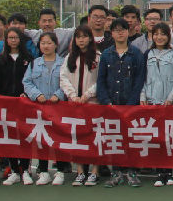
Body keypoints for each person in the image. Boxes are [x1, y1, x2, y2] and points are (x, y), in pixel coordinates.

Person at [97, 19, 147, 187]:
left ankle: (132, 172)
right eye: (116, 30)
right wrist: (106, 101)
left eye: (123, 29)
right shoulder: (106, 54)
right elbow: (101, 80)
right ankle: (116, 173)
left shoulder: (136, 54)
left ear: (127, 31)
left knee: (132, 138)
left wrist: (131, 103)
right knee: (114, 139)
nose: (120, 33)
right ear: (111, 33)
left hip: (130, 105)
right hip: (111, 104)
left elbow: (139, 80)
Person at [141, 23, 173, 187]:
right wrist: (143, 96)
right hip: (152, 102)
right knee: (156, 138)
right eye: (156, 34)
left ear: (168, 36)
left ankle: (169, 172)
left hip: (169, 103)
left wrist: (171, 98)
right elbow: (143, 78)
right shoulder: (147, 54)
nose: (159, 37)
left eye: (163, 34)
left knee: (169, 138)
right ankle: (159, 173)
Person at [22, 32, 65, 186]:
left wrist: (58, 95)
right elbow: (27, 82)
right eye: (43, 43)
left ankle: (60, 171)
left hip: (58, 108)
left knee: (59, 139)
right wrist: (36, 94)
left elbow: (67, 82)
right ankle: (44, 171)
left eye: (49, 43)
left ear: (56, 44)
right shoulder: (34, 63)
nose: (46, 46)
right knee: (42, 139)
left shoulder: (63, 63)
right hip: (39, 108)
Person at [0, 27, 34, 185]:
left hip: (23, 103)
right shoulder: (0, 60)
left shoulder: (28, 59)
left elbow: (30, 81)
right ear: (6, 40)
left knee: (24, 136)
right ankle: (15, 171)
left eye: (16, 37)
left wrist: (27, 95)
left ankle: (25, 170)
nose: (13, 40)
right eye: (10, 38)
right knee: (10, 137)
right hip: (6, 104)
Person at [59, 26, 99, 186]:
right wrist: (73, 95)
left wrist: (87, 95)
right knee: (77, 137)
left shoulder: (98, 57)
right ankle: (80, 171)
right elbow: (63, 78)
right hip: (74, 104)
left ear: (90, 38)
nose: (81, 40)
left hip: (92, 103)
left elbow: (101, 79)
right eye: (78, 37)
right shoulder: (69, 57)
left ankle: (94, 172)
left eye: (84, 36)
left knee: (94, 137)